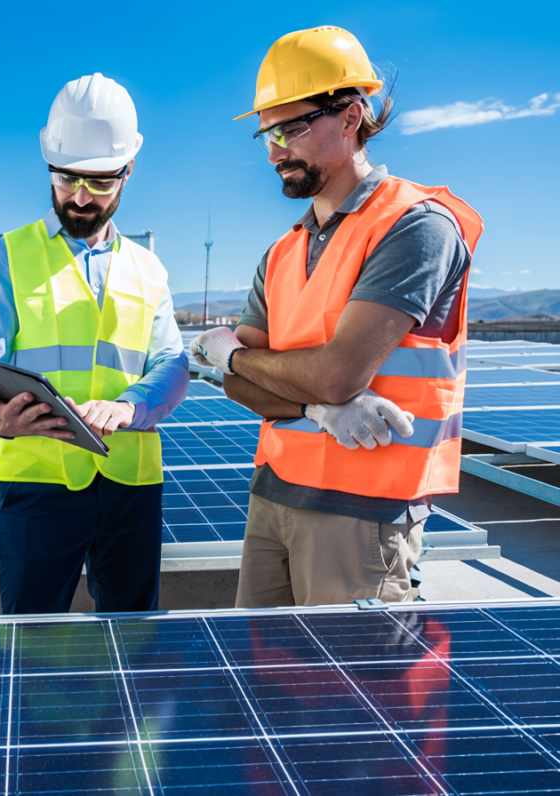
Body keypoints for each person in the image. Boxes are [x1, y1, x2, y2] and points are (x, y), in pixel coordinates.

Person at [192, 27, 483, 608]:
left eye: (289, 128)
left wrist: (236, 353)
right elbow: (238, 386)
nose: (274, 150)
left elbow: (336, 374)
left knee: (347, 694)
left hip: (363, 511)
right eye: (266, 134)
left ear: (350, 118)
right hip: (273, 494)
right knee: (264, 678)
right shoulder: (282, 252)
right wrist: (313, 407)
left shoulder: (414, 226)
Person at [0, 73, 189, 615]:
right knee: (31, 634)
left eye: (100, 182)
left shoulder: (148, 269)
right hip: (37, 483)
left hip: (130, 482)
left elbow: (172, 364)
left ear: (128, 172)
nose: (81, 197)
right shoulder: (7, 257)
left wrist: (128, 407)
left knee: (132, 631)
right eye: (66, 180)